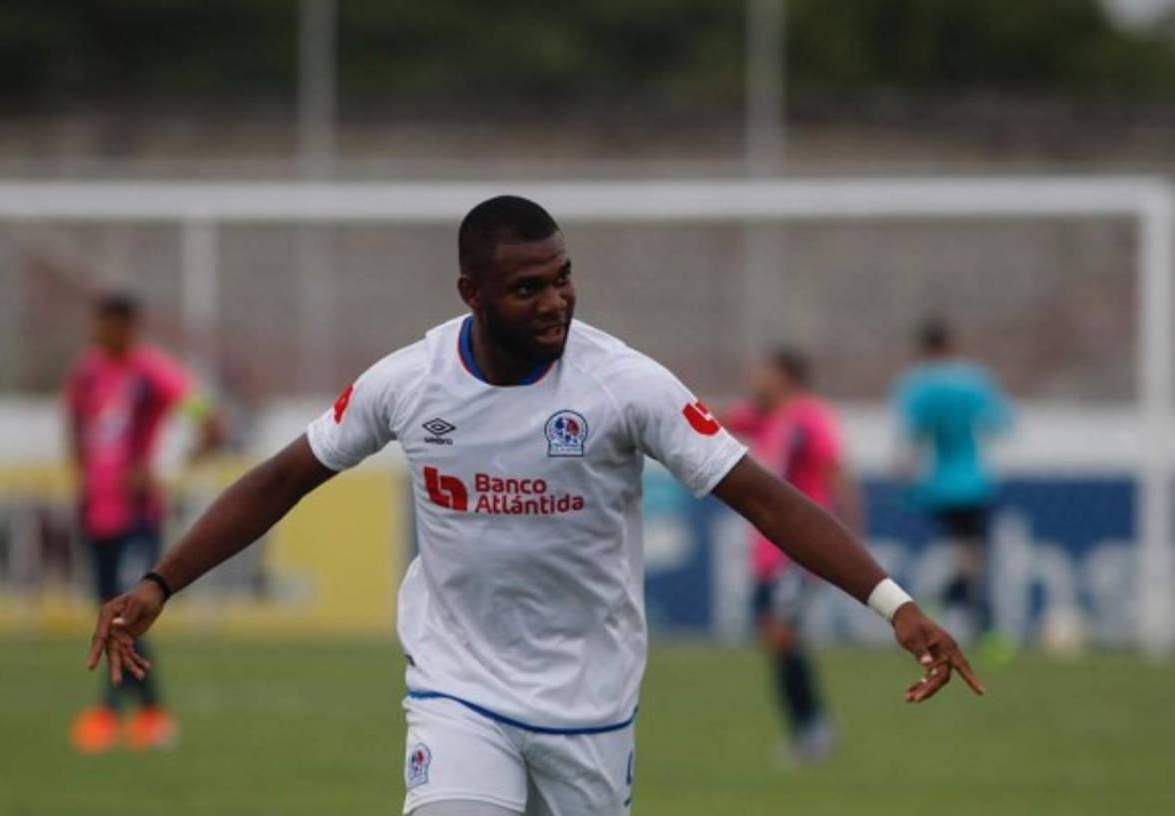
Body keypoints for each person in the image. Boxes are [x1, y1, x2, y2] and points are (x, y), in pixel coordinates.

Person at [88, 197, 983, 815]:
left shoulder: (625, 386)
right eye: (528, 287)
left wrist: (895, 606)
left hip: (590, 701)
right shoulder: (410, 384)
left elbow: (764, 497)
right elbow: (281, 479)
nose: (554, 300)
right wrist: (161, 583)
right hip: (457, 686)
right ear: (471, 295)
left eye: (563, 277)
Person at [66, 292, 223, 753]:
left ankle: (109, 714)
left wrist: (169, 467)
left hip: (138, 516)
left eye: (110, 324)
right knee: (107, 612)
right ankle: (152, 714)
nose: (101, 332)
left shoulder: (153, 372)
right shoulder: (85, 372)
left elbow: (211, 423)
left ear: (128, 327)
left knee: (122, 611)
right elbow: (76, 429)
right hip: (95, 513)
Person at [722, 347, 861, 764]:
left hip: (799, 550)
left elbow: (835, 472)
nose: (755, 378)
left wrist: (850, 538)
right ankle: (810, 727)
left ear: (784, 376)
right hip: (769, 552)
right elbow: (709, 417)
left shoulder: (811, 418)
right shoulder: (765, 416)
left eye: (763, 371)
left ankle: (812, 729)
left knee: (783, 633)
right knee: (776, 637)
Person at [892, 318, 1012, 647]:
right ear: (951, 344)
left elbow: (911, 438)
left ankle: (949, 606)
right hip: (973, 481)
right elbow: (1000, 425)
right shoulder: (974, 380)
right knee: (973, 557)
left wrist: (904, 476)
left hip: (937, 485)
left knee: (964, 555)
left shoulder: (918, 385)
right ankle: (965, 613)